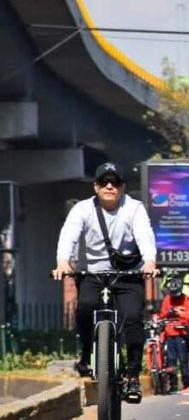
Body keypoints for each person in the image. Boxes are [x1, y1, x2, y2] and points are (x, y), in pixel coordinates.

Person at [52, 162, 157, 404]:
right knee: (86, 306)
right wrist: (62, 262)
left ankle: (132, 375)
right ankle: (88, 353)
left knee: (132, 319)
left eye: (115, 182)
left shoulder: (134, 208)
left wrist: (150, 261)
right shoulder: (82, 209)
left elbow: (144, 234)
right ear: (95, 187)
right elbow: (69, 235)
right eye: (104, 182)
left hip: (127, 275)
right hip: (92, 273)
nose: (110, 186)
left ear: (123, 187)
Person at [156, 275, 189, 392]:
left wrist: (181, 313)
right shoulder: (167, 299)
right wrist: (171, 311)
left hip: (181, 333)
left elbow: (188, 314)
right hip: (170, 333)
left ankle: (187, 384)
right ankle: (173, 385)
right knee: (171, 359)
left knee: (183, 360)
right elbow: (162, 314)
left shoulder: (186, 299)